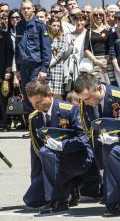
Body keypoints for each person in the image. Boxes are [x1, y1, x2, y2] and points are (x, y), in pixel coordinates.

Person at [73, 73, 120, 216]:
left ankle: (117, 203)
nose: (86, 102)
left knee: (113, 149)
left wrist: (118, 139)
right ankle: (116, 196)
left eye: (88, 98)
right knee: (110, 150)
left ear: (99, 88)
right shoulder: (86, 103)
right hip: (108, 149)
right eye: (83, 99)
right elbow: (93, 135)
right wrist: (101, 167)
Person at [23, 79, 94, 213]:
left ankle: (58, 200)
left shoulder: (70, 110)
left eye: (38, 102)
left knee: (47, 151)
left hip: (76, 159)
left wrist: (62, 145)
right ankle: (68, 186)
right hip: (52, 163)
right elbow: (36, 151)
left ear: (49, 95)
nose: (35, 107)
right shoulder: (34, 118)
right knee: (32, 199)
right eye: (32, 103)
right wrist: (38, 180)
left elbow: (85, 139)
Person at [15, 0, 52, 114]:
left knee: (37, 94)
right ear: (21, 10)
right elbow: (18, 48)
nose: (26, 11)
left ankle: (40, 125)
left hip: (37, 67)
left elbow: (46, 49)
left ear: (33, 9)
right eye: (23, 8)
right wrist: (17, 69)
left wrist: (44, 68)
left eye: (28, 8)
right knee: (27, 96)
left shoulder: (40, 25)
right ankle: (31, 126)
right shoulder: (19, 25)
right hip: (24, 66)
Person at [83, 7, 114, 84]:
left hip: (107, 61)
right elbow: (86, 49)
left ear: (104, 16)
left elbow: (111, 47)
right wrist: (96, 61)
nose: (98, 16)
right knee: (97, 85)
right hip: (95, 61)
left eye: (101, 14)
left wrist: (106, 61)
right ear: (92, 17)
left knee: (111, 86)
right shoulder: (89, 31)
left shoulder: (109, 29)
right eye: (96, 15)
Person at [48, 18, 68, 99]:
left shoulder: (62, 37)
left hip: (57, 67)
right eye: (54, 25)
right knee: (47, 93)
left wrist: (49, 64)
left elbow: (60, 54)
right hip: (46, 69)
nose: (56, 27)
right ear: (49, 26)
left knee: (57, 95)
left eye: (58, 26)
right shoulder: (46, 37)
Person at [0, 27, 13, 130]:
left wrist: (8, 70)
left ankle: (5, 123)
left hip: (3, 72)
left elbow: (10, 54)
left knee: (4, 98)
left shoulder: (5, 35)